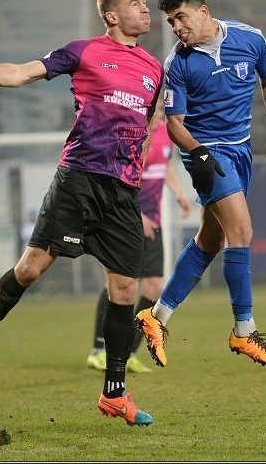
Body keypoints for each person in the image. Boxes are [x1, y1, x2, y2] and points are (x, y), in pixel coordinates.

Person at [0, 0, 164, 427]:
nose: (146, 9)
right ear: (111, 15)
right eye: (135, 3)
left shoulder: (153, 68)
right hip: (78, 182)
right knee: (29, 270)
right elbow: (25, 72)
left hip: (122, 193)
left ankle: (115, 393)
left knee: (125, 289)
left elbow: (144, 133)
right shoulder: (84, 52)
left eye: (146, 3)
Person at [135, 0, 266, 369]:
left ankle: (156, 317)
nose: (176, 27)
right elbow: (174, 124)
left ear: (203, 11)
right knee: (241, 231)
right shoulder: (179, 63)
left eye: (181, 17)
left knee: (210, 240)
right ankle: (244, 330)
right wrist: (199, 154)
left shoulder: (249, 39)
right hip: (205, 153)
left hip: (240, 149)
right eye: (170, 22)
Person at [86, 115, 191, 374]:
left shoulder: (167, 132)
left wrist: (178, 193)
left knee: (154, 289)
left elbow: (164, 164)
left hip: (152, 223)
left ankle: (127, 353)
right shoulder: (132, 135)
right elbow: (118, 179)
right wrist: (138, 216)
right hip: (124, 219)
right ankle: (99, 350)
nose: (157, 113)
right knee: (117, 283)